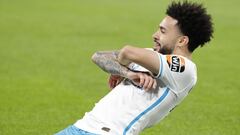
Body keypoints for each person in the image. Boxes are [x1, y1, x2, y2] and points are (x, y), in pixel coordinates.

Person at [55, 1, 213, 135]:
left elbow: (127, 52)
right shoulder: (154, 56)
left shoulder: (184, 69)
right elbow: (97, 56)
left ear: (182, 41)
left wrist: (122, 64)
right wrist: (126, 72)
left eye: (163, 31)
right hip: (82, 126)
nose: (155, 35)